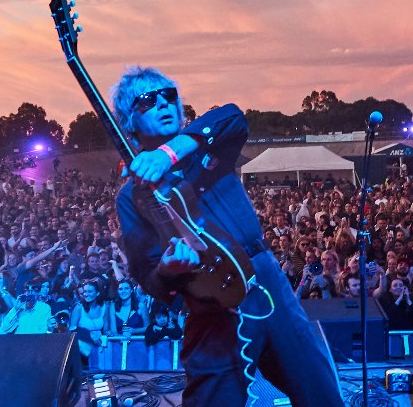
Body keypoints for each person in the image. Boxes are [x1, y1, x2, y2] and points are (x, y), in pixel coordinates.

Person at [111, 66, 342, 406]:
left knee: (319, 390)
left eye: (169, 95)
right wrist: (168, 270)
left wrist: (169, 153)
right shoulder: (131, 198)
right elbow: (147, 274)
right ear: (129, 122)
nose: (163, 103)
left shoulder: (206, 151)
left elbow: (232, 116)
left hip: (267, 281)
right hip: (210, 304)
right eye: (148, 100)